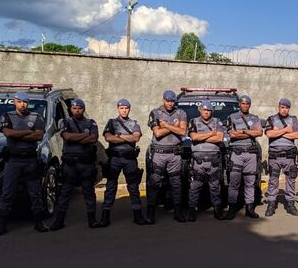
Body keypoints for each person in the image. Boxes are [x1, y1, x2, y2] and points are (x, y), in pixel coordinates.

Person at [0, 91, 49, 236]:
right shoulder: (7, 116)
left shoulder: (36, 116)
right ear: (14, 102)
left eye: (25, 102)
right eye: (19, 101)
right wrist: (28, 132)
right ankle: (1, 225)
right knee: (7, 193)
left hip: (30, 160)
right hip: (13, 160)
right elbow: (8, 133)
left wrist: (18, 133)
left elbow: (39, 135)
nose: (22, 104)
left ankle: (39, 222)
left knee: (35, 193)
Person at [50, 98, 99, 230]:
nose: (77, 111)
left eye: (79, 108)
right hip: (70, 165)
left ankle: (92, 219)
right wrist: (84, 137)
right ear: (71, 109)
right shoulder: (66, 122)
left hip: (86, 164)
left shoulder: (90, 122)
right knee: (65, 193)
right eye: (74, 108)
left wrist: (75, 137)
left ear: (83, 109)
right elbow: (67, 137)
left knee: (89, 192)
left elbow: (94, 138)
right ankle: (59, 220)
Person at [97, 98, 144, 227]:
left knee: (133, 187)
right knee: (111, 187)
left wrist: (118, 136)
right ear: (118, 109)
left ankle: (138, 215)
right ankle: (105, 216)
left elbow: (136, 137)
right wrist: (125, 138)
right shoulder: (111, 123)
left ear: (129, 109)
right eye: (122, 108)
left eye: (126, 108)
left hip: (130, 159)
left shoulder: (134, 123)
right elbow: (108, 138)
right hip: (114, 159)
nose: (124, 110)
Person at [146, 90, 188, 224]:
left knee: (176, 184)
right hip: (159, 153)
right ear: (163, 100)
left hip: (175, 154)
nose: (170, 104)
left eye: (172, 101)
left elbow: (183, 131)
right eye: (167, 101)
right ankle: (150, 214)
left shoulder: (181, 113)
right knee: (154, 183)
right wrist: (174, 126)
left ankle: (178, 213)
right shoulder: (155, 113)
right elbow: (157, 133)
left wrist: (166, 125)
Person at [187, 100, 227, 221]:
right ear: (200, 110)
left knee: (215, 186)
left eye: (209, 110)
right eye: (204, 110)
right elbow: (193, 137)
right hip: (198, 161)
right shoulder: (193, 121)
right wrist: (211, 134)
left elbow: (219, 137)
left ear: (211, 111)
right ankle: (191, 210)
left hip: (213, 161)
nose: (206, 112)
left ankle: (217, 210)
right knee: (195, 186)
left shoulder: (217, 122)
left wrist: (201, 137)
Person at [225, 95, 263, 220]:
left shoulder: (254, 118)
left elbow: (259, 132)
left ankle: (249, 208)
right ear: (239, 104)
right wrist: (249, 132)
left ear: (249, 105)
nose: (245, 106)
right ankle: (232, 209)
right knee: (234, 183)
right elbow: (232, 135)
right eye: (243, 103)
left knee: (250, 182)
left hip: (251, 154)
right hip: (236, 154)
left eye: (247, 104)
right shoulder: (232, 117)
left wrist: (243, 131)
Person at [264, 98, 298, 216]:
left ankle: (290, 204)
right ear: (279, 107)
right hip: (274, 156)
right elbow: (269, 134)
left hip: (289, 156)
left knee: (291, 180)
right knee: (273, 180)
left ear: (289, 108)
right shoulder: (271, 119)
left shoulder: (293, 119)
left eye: (286, 107)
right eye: (282, 107)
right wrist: (286, 130)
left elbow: (297, 134)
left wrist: (278, 133)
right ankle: (271, 204)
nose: (284, 109)